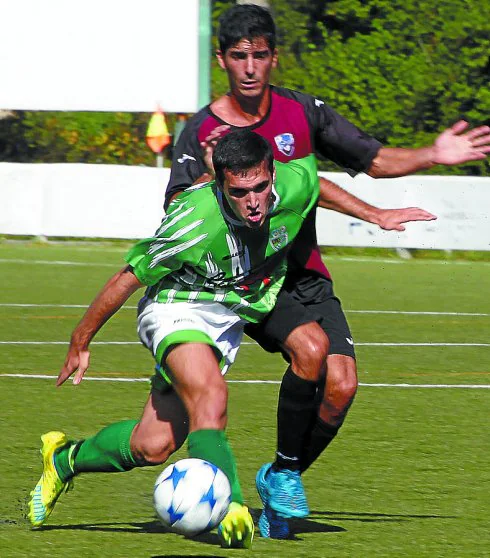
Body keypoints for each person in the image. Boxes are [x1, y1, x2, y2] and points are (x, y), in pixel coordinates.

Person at [165, 4, 490, 539]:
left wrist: (432, 152)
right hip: (227, 285)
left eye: (260, 55)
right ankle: (82, 460)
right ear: (221, 59)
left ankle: (282, 475)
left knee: (341, 385)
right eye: (239, 56)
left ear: (274, 58)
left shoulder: (303, 113)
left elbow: (373, 159)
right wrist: (204, 176)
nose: (250, 68)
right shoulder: (200, 130)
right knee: (155, 440)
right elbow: (175, 215)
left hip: (298, 277)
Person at [27, 130, 325, 549]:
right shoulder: (194, 221)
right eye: (240, 192)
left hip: (227, 315)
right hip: (174, 308)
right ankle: (231, 509)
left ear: (272, 174)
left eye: (260, 187)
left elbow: (317, 182)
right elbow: (127, 277)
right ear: (220, 184)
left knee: (154, 444)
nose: (254, 201)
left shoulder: (294, 183)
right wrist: (81, 340)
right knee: (210, 395)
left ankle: (64, 459)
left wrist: (376, 215)